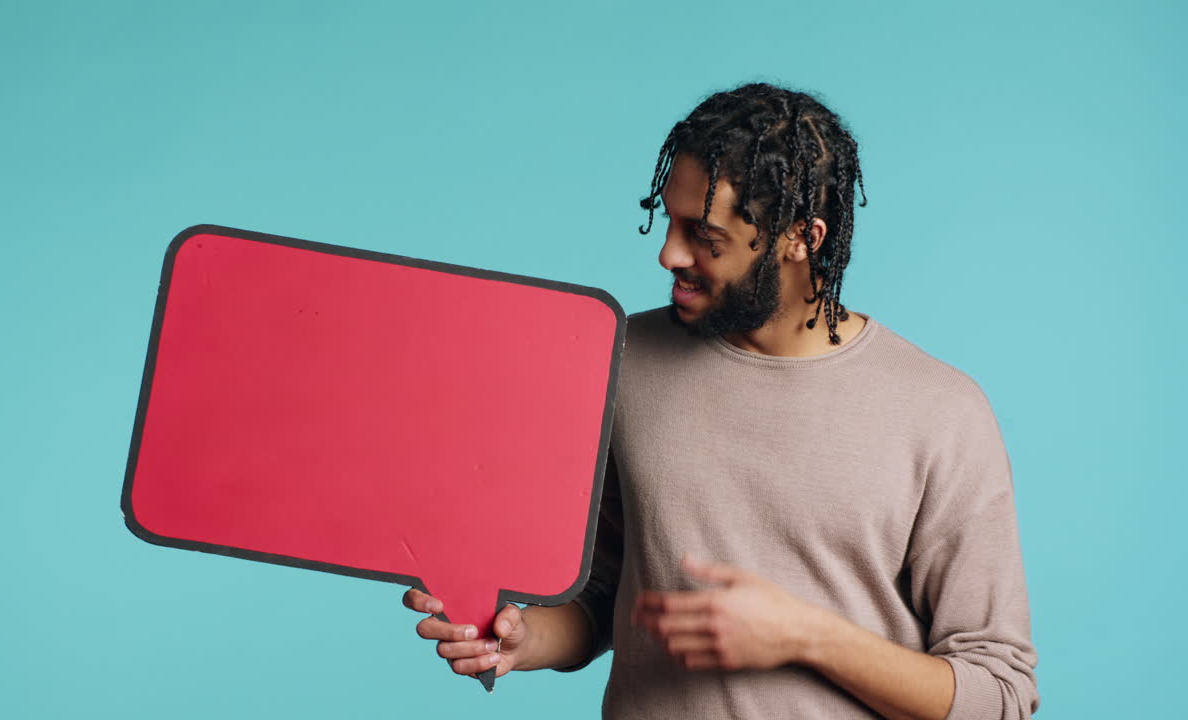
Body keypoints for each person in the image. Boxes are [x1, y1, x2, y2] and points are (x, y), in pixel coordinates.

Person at [401, 82, 1040, 720]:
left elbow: (999, 694)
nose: (668, 254)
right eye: (669, 221)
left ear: (801, 237)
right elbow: (608, 592)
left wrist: (804, 635)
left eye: (705, 236)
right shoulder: (622, 361)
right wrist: (522, 639)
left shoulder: (941, 412)